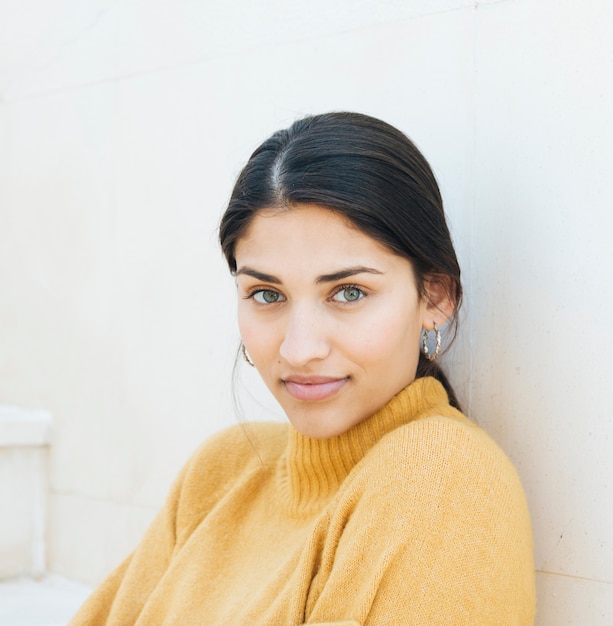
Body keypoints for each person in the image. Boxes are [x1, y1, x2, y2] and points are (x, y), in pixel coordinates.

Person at [70, 112, 535, 625]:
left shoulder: (441, 477)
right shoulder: (220, 472)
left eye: (349, 292)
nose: (299, 349)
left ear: (436, 296)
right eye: (267, 294)